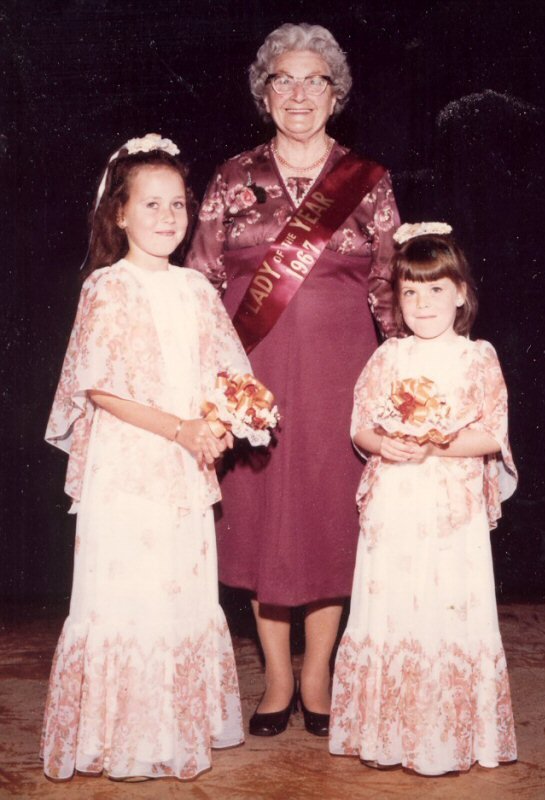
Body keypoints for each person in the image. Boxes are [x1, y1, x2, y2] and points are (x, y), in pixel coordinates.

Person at [185, 22, 400, 737]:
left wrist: (406, 390)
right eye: (284, 79)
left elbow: (392, 290)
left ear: (335, 94)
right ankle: (277, 679)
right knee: (263, 524)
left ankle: (318, 678)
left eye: (315, 80)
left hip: (343, 379)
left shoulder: (367, 181)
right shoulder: (231, 175)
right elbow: (197, 284)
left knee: (329, 522)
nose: (299, 93)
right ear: (263, 92)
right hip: (255, 384)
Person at [41, 134, 252, 782]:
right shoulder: (107, 287)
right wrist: (181, 427)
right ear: (120, 214)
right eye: (151, 204)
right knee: (129, 594)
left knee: (180, 590)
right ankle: (125, 737)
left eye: (178, 205)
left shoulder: (196, 290)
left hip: (183, 468)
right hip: (129, 466)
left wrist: (223, 422)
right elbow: (99, 386)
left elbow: (230, 376)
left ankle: (180, 723)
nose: (167, 217)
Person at [329, 222, 518, 774]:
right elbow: (360, 428)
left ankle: (450, 737)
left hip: (449, 511)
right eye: (410, 291)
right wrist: (385, 443)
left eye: (436, 289)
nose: (422, 302)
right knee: (392, 607)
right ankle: (386, 735)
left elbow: (492, 436)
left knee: (446, 608)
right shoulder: (388, 357)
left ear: (460, 292)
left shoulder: (478, 357)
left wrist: (437, 440)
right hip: (396, 504)